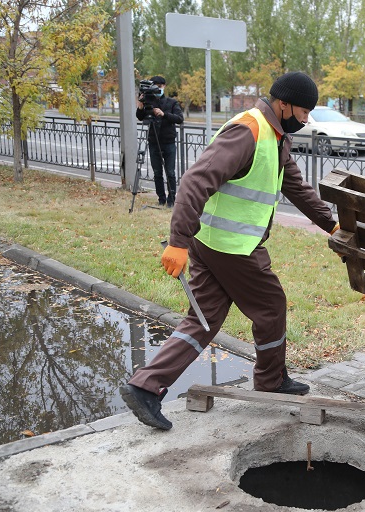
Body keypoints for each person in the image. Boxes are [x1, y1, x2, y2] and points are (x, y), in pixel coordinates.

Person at [120, 72, 339, 431]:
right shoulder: (249, 130)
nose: (305, 120)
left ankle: (145, 387)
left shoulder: (275, 136)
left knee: (202, 320)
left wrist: (332, 225)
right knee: (271, 306)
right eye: (303, 111)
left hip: (211, 244)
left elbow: (295, 187)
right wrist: (177, 240)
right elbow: (195, 180)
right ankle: (271, 381)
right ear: (283, 104)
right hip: (232, 247)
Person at [136, 75, 184, 207]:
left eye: (160, 86)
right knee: (157, 172)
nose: (158, 88)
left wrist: (164, 114)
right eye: (155, 86)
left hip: (168, 141)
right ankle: (161, 198)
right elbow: (140, 117)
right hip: (153, 140)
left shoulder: (171, 102)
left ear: (164, 86)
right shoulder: (148, 101)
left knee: (170, 172)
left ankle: (172, 199)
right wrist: (140, 106)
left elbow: (179, 118)